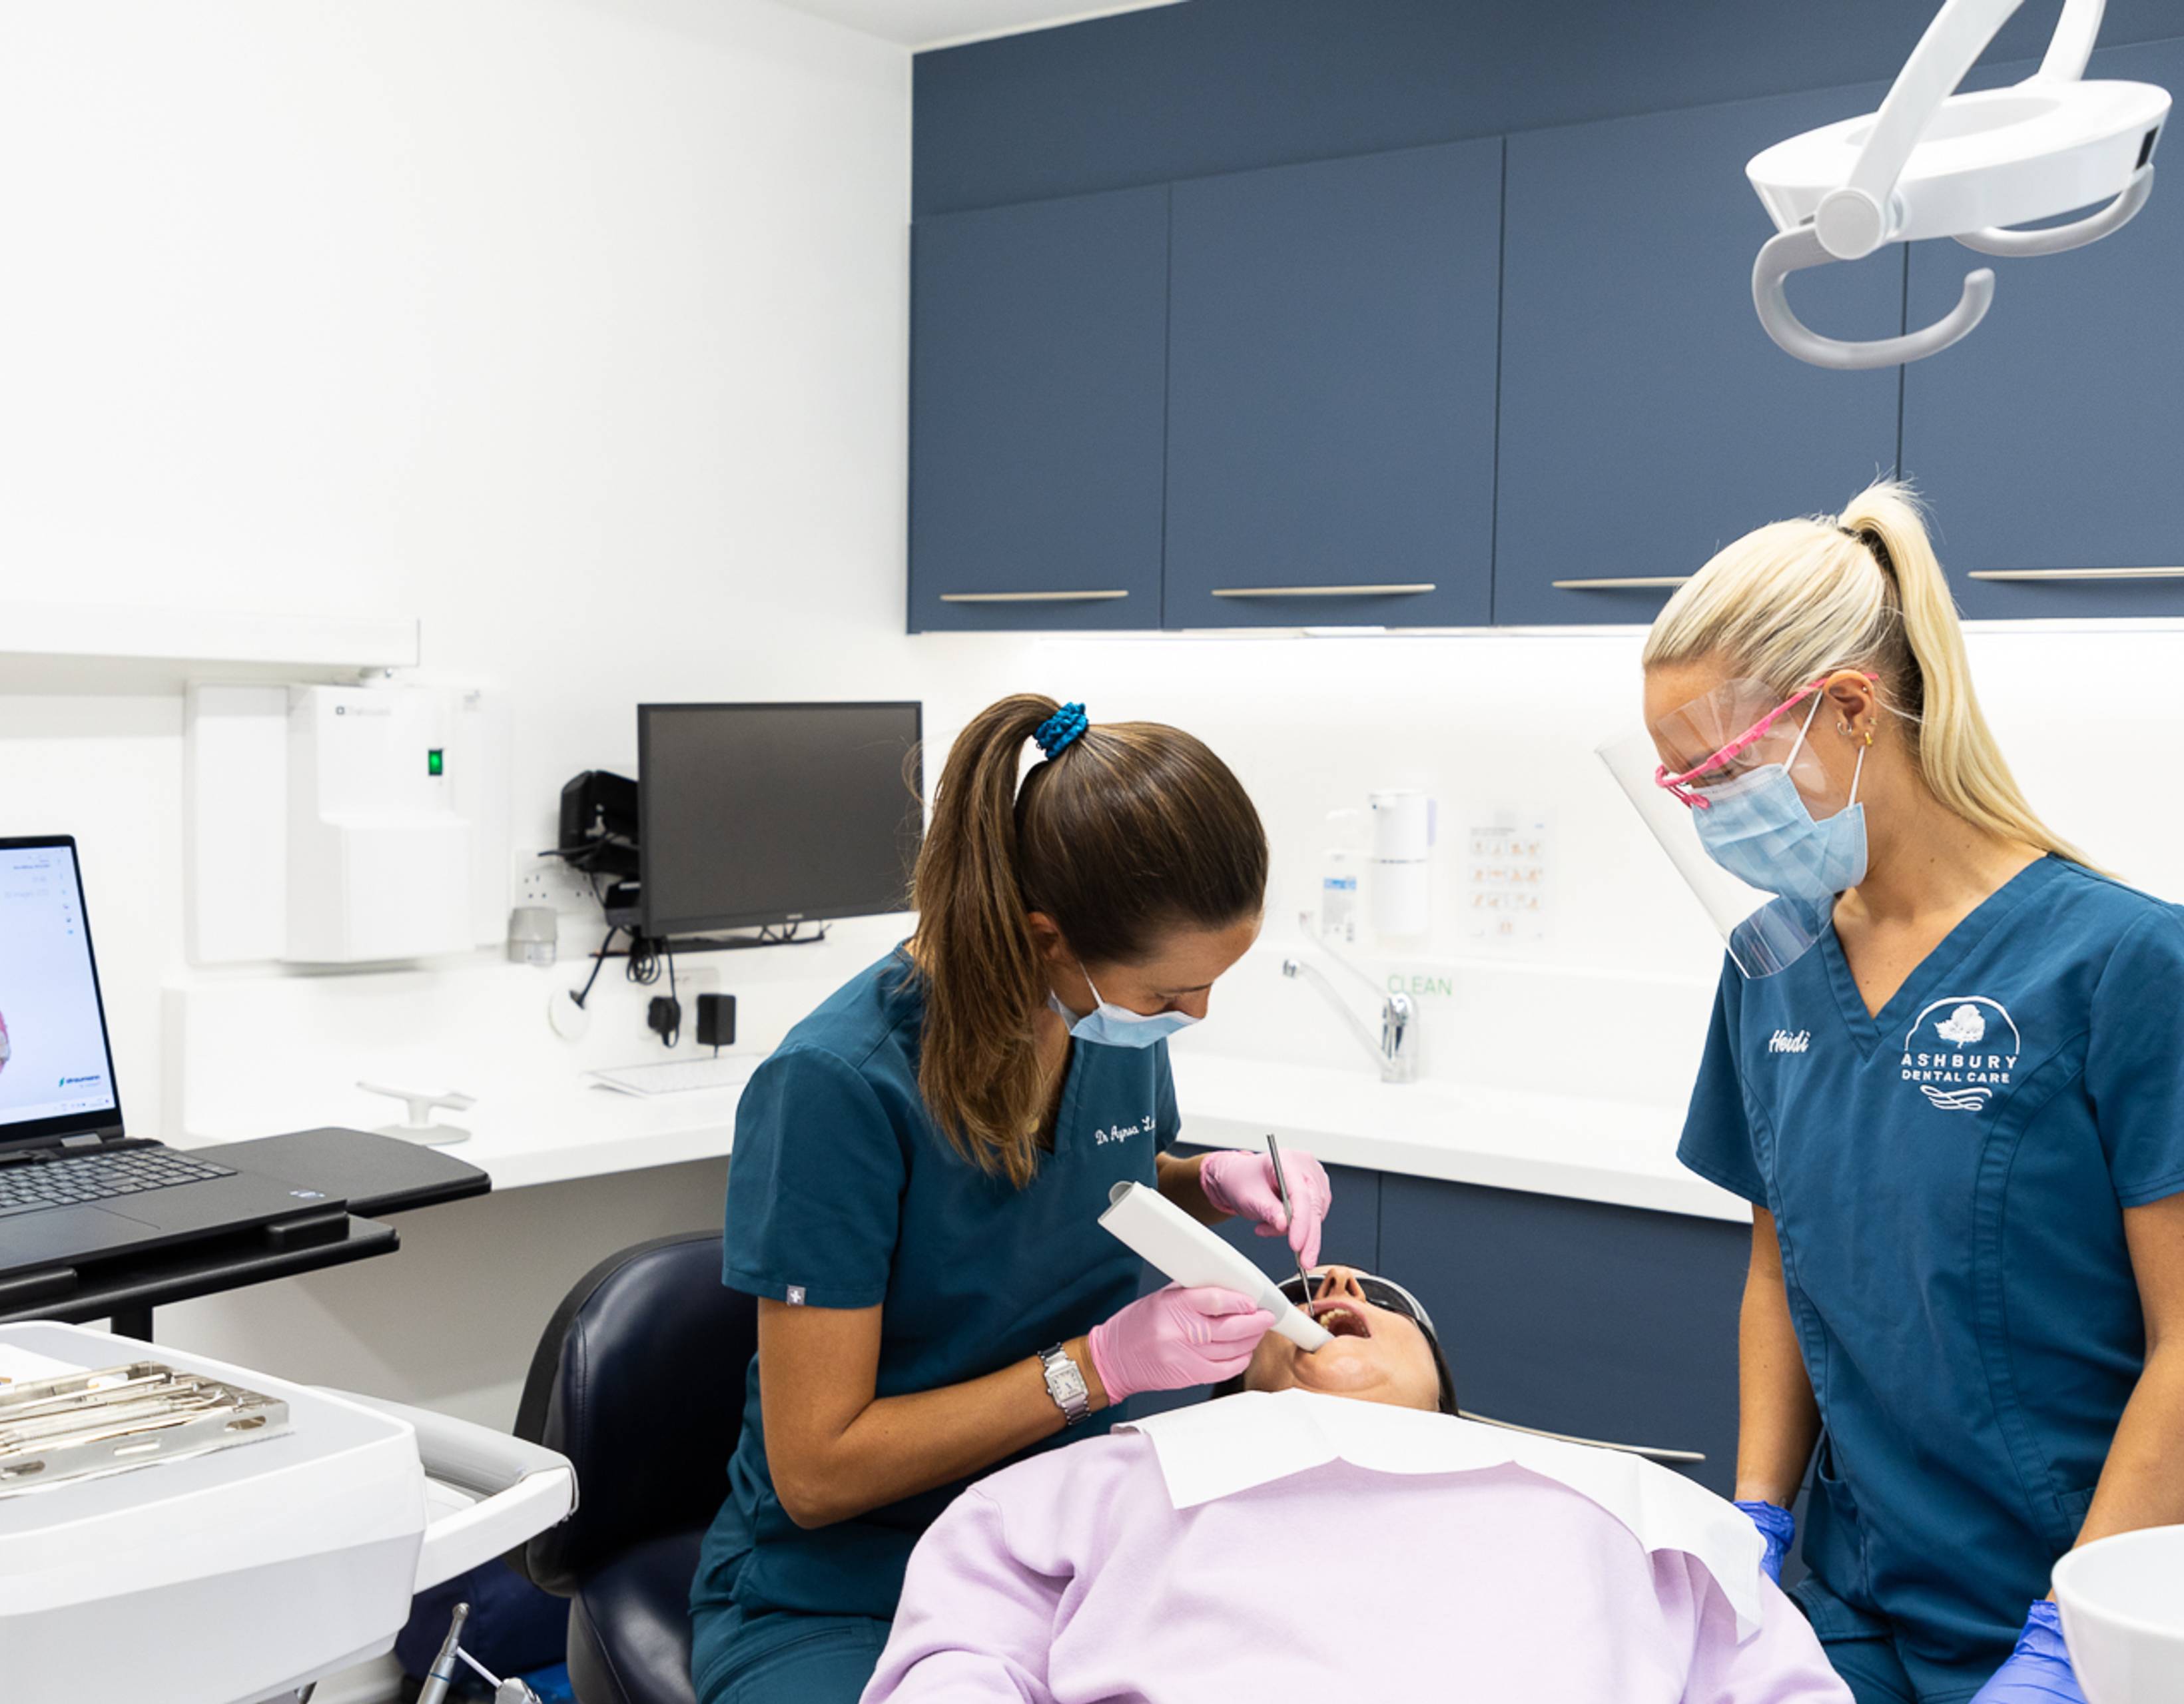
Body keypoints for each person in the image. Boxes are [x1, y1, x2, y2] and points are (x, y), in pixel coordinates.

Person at [1637, 483, 2184, 1704]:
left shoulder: (2128, 964)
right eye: (1683, 788)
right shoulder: (1769, 964)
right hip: (1851, 1600)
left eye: (1718, 774)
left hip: (2076, 1605)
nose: (1710, 814)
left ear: (1846, 707)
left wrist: (2071, 1633)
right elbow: (1780, 1267)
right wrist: (1758, 1520)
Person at [688, 694, 1335, 1704]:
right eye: (1168, 995)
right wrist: (1099, 1367)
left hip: (1065, 1541)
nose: (1193, 1017)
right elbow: (817, 1473)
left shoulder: (1095, 1022)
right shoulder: (840, 1085)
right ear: (1046, 938)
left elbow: (1089, 1179)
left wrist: (1206, 1183)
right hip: (847, 1590)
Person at [863, 1268, 1851, 1703]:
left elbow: (1777, 1683)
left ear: (1444, 1388)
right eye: (1293, 1299)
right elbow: (959, 1651)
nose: (1334, 1287)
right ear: (1230, 1380)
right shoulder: (1116, 1476)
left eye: (1377, 1300)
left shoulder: (1620, 1501)